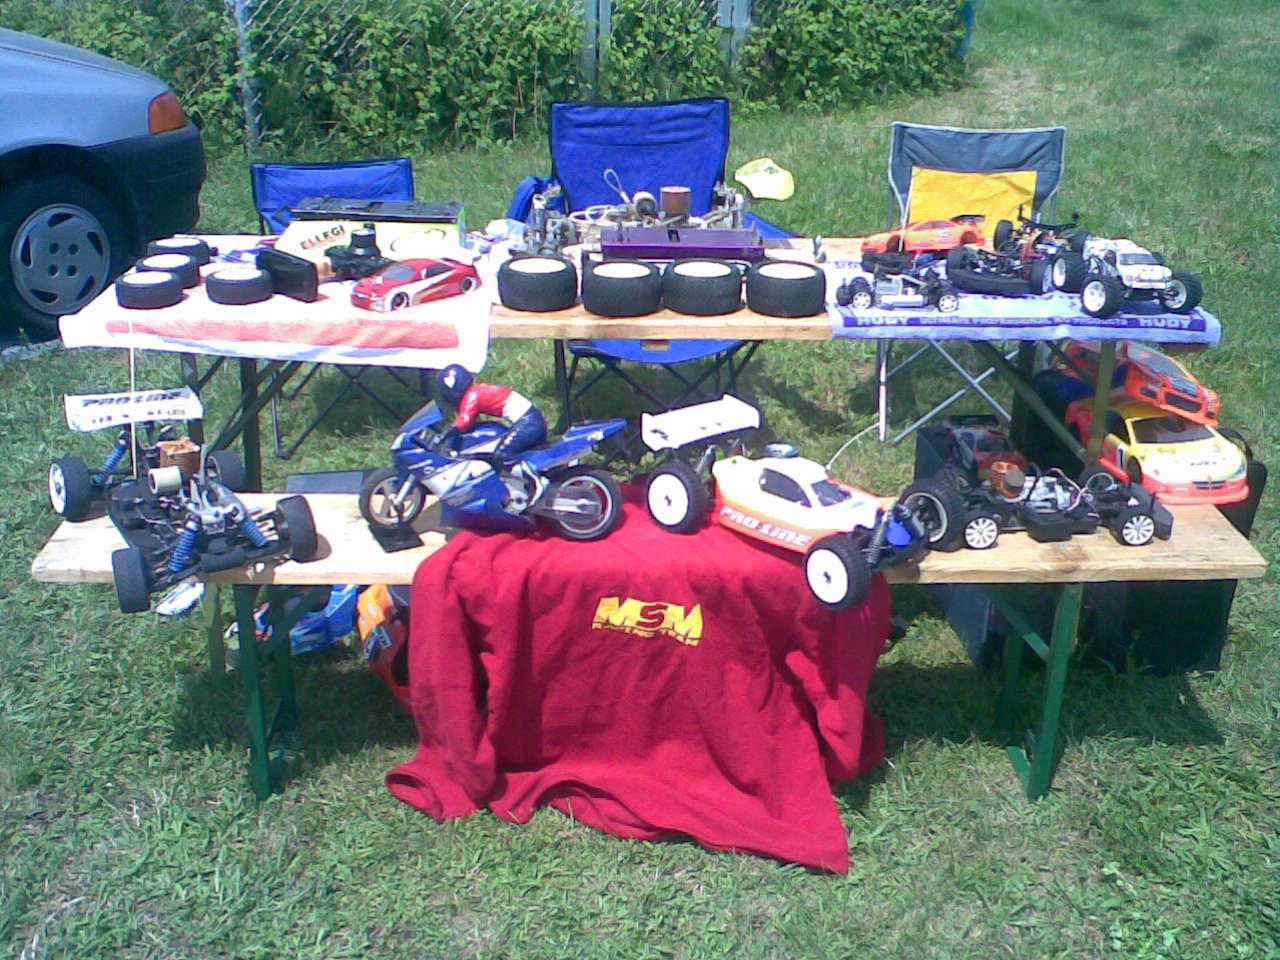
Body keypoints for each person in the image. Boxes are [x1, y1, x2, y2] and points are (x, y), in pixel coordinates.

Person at [436, 364, 547, 459]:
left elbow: (464, 420)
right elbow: (469, 424)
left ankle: (524, 476)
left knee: (501, 454)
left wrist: (444, 435)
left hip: (528, 423)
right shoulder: (478, 390)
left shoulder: (472, 396)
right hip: (530, 420)